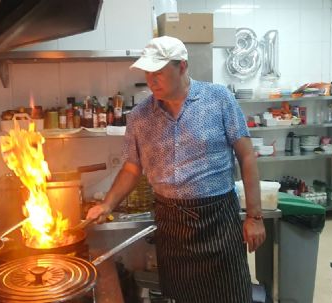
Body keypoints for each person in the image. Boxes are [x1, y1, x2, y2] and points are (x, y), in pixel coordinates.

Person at [86, 36, 266, 303]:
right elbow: (132, 168)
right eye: (148, 73)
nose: (151, 80)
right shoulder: (139, 117)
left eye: (158, 72)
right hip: (171, 222)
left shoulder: (219, 99)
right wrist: (108, 204)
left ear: (182, 66)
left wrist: (255, 216)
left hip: (218, 217)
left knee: (232, 296)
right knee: (181, 298)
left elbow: (247, 157)